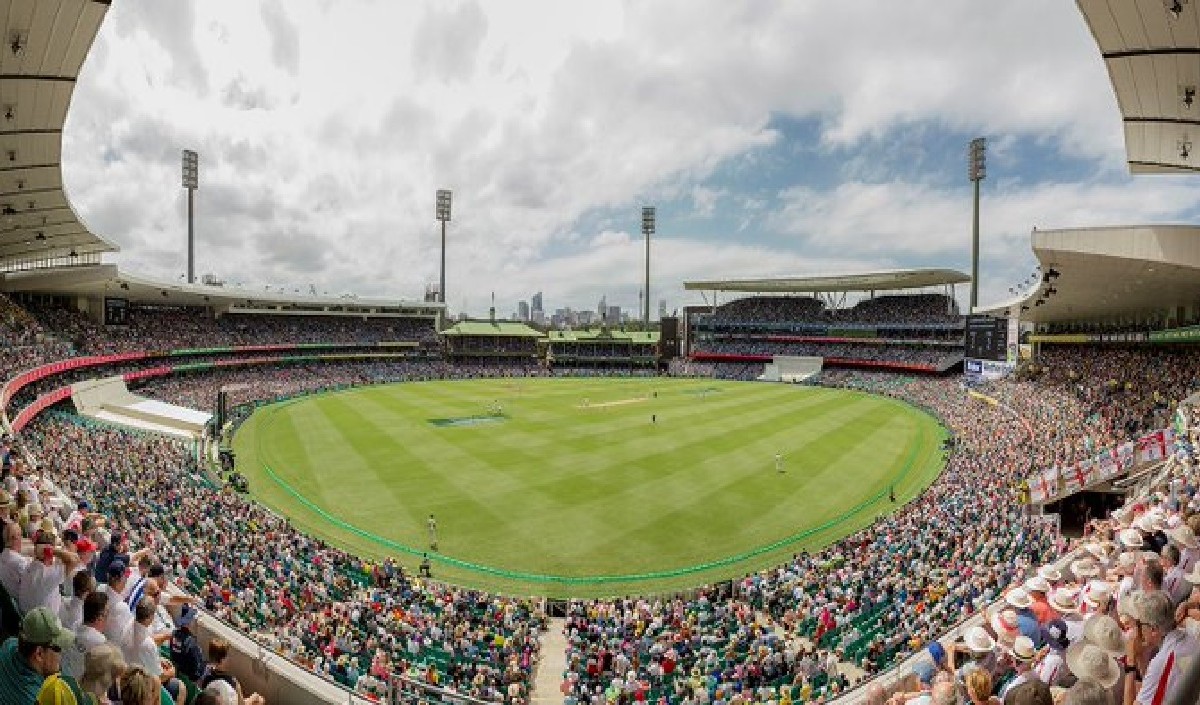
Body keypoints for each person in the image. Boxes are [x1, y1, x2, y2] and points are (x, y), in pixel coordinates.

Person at [1123, 590, 1199, 705]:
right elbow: (1155, 686)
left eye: (1139, 624)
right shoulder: (1191, 639)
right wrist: (1140, 657)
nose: (1137, 630)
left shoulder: (1163, 661)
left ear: (1153, 629)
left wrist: (1130, 662)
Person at [0, 606, 75, 705]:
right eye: (58, 648)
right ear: (39, 654)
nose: (61, 655)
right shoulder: (37, 698)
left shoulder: (8, 646)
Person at [199, 637, 264, 705]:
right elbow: (242, 704)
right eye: (227, 655)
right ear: (222, 660)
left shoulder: (205, 676)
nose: (229, 658)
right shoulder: (232, 681)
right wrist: (254, 697)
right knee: (260, 700)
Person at [168, 605, 205, 685]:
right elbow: (196, 672)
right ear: (189, 623)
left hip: (179, 672)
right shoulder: (191, 643)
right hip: (188, 680)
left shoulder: (174, 634)